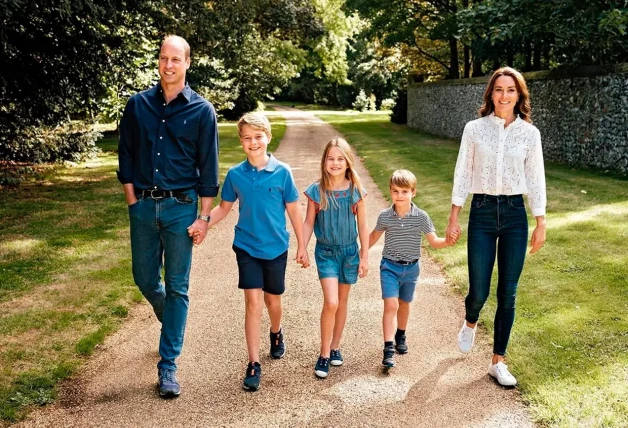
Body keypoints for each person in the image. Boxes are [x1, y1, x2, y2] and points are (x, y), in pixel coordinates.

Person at [117, 35, 219, 397]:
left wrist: (204, 217)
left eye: (176, 59)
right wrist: (133, 202)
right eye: (164, 58)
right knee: (144, 279)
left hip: (181, 208)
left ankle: (168, 366)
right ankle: (170, 321)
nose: (169, 65)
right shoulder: (137, 105)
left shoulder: (202, 111)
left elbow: (208, 169)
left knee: (177, 286)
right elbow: (125, 156)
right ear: (158, 62)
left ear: (187, 63)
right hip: (143, 206)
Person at [446, 66, 546, 387]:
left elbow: (535, 178)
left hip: (516, 213)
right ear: (491, 93)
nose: (504, 95)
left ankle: (497, 362)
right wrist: (454, 215)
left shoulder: (529, 134)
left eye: (511, 90)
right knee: (479, 291)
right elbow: (463, 172)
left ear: (519, 95)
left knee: (508, 292)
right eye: (499, 89)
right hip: (483, 212)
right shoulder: (474, 129)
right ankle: (470, 321)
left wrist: (540, 220)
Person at [199, 112, 308, 392]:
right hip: (246, 246)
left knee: (273, 302)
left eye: (258, 136)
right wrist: (203, 222)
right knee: (253, 303)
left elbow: (294, 210)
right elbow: (224, 208)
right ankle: (253, 362)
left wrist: (302, 246)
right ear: (241, 142)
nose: (253, 142)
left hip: (275, 248)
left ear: (268, 138)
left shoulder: (282, 172)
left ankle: (276, 332)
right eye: (247, 138)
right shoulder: (236, 175)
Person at [369, 169, 457, 368]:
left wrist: (447, 242)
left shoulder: (421, 217)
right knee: (391, 305)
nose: (399, 196)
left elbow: (434, 241)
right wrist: (360, 254)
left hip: (411, 269)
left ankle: (401, 334)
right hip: (389, 267)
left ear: (413, 192)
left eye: (404, 191)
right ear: (390, 192)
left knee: (405, 304)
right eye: (395, 191)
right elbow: (373, 237)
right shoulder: (385, 216)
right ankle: (388, 347)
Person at [302, 136, 369, 379]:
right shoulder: (316, 191)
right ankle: (323, 354)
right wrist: (302, 246)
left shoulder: (355, 191)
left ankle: (335, 346)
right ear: (324, 162)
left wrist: (364, 256)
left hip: (350, 252)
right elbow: (309, 222)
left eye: (340, 158)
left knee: (341, 301)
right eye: (331, 158)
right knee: (331, 302)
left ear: (348, 162)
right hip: (326, 252)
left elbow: (362, 225)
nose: (335, 163)